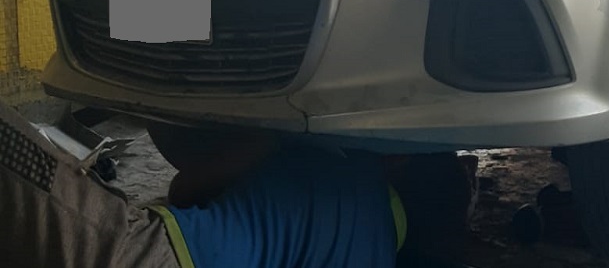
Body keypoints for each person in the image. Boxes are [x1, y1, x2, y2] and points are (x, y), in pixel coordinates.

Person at [0, 101, 474, 267]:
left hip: (152, 258)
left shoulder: (338, 168)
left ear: (401, 163)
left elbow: (185, 190)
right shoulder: (377, 256)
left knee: (17, 162)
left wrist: (262, 144)